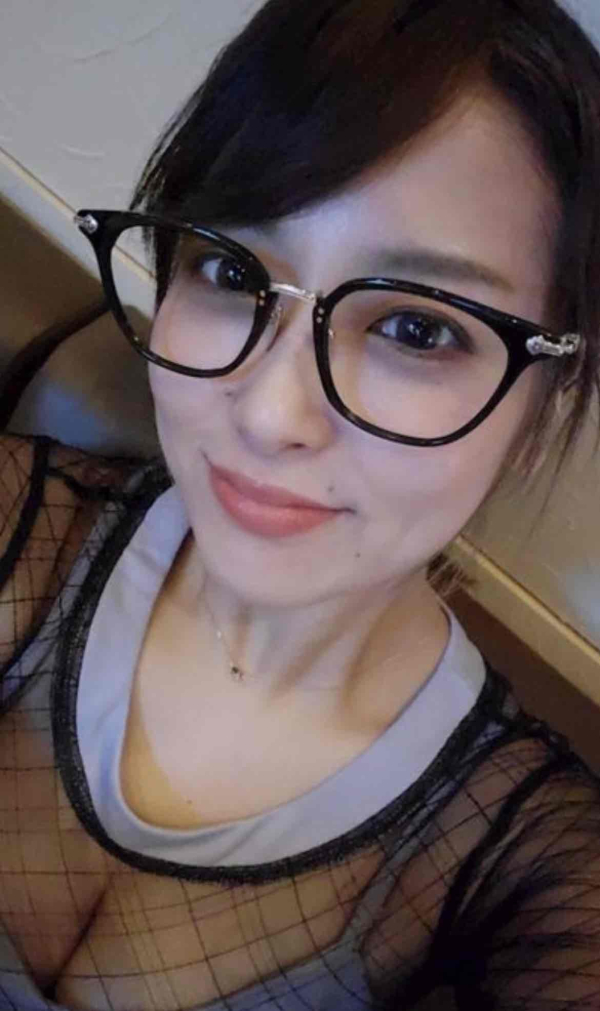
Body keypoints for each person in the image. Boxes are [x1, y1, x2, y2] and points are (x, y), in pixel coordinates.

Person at [1, 0, 600, 1008]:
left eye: (416, 328)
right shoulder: (18, 527)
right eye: (230, 269)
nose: (271, 413)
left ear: (549, 394)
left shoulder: (525, 875)